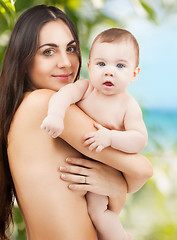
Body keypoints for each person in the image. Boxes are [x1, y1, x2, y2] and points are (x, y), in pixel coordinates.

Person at [0, 5, 153, 240]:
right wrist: (118, 186)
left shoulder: (36, 109)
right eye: (48, 52)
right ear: (24, 59)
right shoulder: (44, 104)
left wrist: (115, 189)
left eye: (70, 48)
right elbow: (142, 169)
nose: (66, 63)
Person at [41, 28, 148, 239]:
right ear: (89, 67)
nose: (109, 71)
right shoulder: (85, 88)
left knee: (98, 213)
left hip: (103, 168)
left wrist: (110, 137)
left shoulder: (128, 106)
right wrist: (55, 116)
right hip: (77, 165)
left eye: (120, 65)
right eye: (101, 64)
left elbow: (139, 140)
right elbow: (62, 96)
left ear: (134, 74)